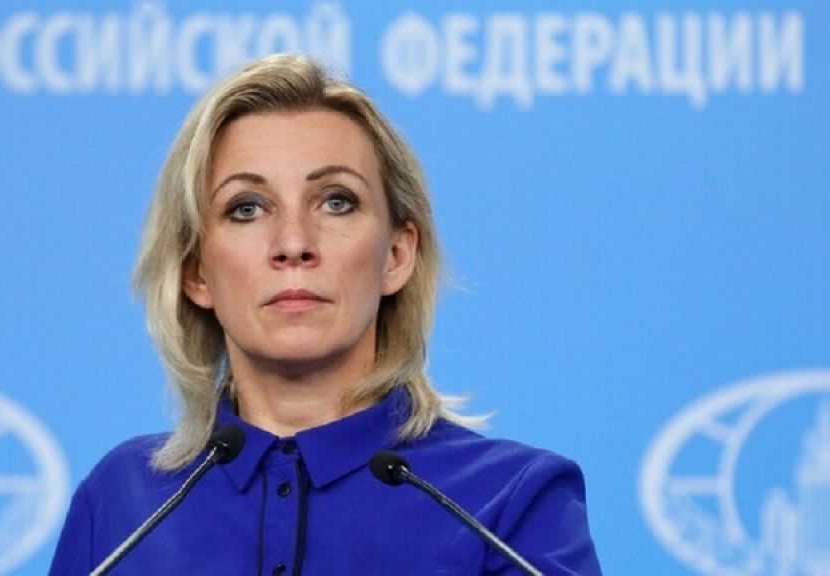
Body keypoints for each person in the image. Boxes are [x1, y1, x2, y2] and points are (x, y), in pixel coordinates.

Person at [49, 54, 602, 575]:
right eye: (246, 208)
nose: (293, 244)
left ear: (397, 255)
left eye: (337, 201)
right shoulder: (122, 504)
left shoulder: (511, 502)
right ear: (196, 273)